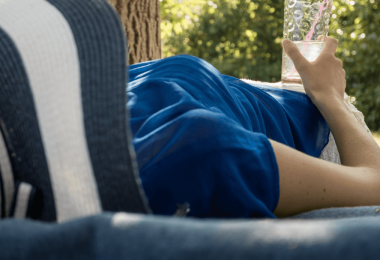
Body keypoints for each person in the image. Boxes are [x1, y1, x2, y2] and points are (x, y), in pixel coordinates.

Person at [127, 36, 380, 218]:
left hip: (253, 94)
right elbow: (375, 185)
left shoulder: (102, 91)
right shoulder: (199, 149)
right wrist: (331, 96)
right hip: (319, 127)